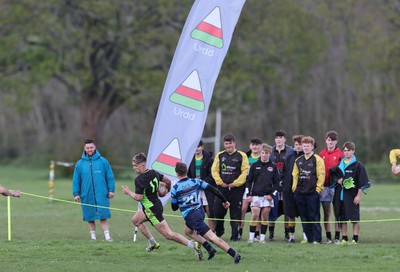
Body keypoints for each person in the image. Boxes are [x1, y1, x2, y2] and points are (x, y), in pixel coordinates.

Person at [122, 153, 203, 259]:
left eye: (135, 166)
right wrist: (166, 189)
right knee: (135, 220)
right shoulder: (153, 172)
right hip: (154, 205)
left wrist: (128, 192)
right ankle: (153, 243)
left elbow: (138, 198)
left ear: (142, 166)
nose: (134, 168)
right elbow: (167, 181)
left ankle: (193, 245)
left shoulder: (139, 180)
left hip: (152, 210)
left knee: (168, 235)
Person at [171, 162, 241, 264]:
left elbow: (173, 207)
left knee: (212, 237)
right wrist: (225, 201)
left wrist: (178, 199)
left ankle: (234, 254)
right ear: (186, 171)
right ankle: (210, 249)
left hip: (192, 216)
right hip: (200, 211)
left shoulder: (175, 188)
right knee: (187, 231)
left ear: (177, 173)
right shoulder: (196, 181)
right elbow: (214, 190)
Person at [72, 139, 115, 241]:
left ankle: (107, 236)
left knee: (103, 214)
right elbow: (76, 180)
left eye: (91, 147)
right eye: (87, 148)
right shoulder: (79, 164)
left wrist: (111, 190)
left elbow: (110, 177)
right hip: (86, 193)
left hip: (101, 193)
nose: (89, 149)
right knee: (89, 215)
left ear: (95, 147)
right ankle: (93, 237)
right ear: (84, 149)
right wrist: (76, 194)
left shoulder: (103, 161)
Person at [329, 142, 371, 244]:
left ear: (353, 151)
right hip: (340, 196)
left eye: (349, 150)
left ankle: (355, 239)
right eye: (345, 150)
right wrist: (337, 180)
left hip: (352, 196)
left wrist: (358, 196)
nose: (346, 152)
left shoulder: (358, 166)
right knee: (342, 218)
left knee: (354, 218)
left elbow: (362, 182)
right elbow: (331, 174)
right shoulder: (339, 164)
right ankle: (344, 238)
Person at [211, 134, 250, 241]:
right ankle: (219, 230)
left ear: (234, 143)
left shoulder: (242, 155)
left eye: (230, 143)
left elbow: (245, 172)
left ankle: (235, 236)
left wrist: (235, 183)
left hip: (236, 189)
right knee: (217, 211)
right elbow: (214, 170)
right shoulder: (220, 155)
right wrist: (220, 182)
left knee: (235, 213)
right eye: (226, 144)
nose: (228, 146)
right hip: (222, 188)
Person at [292, 136, 325, 244]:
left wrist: (318, 190)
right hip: (299, 193)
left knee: (314, 216)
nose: (306, 148)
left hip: (312, 193)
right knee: (304, 217)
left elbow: (321, 175)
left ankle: (317, 239)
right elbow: (295, 176)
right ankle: (308, 238)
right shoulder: (298, 160)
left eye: (308, 146)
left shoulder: (318, 159)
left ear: (312, 147)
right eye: (304, 146)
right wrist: (294, 189)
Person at [246, 144, 279, 243]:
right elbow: (248, 181)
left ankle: (262, 239)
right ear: (260, 153)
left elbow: (277, 183)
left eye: (266, 153)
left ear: (270, 154)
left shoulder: (273, 167)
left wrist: (272, 195)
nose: (264, 155)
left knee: (265, 216)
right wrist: (249, 194)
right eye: (263, 153)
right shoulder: (254, 166)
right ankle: (251, 238)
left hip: (267, 197)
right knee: (255, 215)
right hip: (255, 196)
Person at [319, 131, 344, 244]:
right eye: (329, 140)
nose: (330, 142)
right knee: (326, 213)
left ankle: (337, 237)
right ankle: (328, 237)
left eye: (333, 140)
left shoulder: (340, 154)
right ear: (326, 141)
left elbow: (343, 170)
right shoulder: (321, 154)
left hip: (337, 188)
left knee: (337, 212)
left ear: (336, 141)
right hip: (324, 187)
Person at [188, 140, 216, 231]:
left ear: (202, 147)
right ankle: (197, 231)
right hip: (194, 189)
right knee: (196, 211)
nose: (197, 149)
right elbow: (188, 175)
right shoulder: (190, 160)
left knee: (210, 211)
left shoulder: (209, 159)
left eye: (198, 146)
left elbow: (211, 175)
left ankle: (212, 232)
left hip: (206, 188)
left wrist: (202, 183)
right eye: (195, 147)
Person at [269, 130, 292, 241]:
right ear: (275, 139)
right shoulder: (270, 152)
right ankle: (271, 234)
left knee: (287, 211)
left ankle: (287, 234)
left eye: (281, 137)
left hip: (286, 185)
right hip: (273, 186)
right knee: (271, 210)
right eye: (277, 137)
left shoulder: (290, 151)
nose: (279, 139)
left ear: (284, 139)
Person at [281, 135, 304, 243]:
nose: (298, 146)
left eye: (300, 144)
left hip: (303, 190)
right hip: (289, 190)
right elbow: (284, 172)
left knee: (304, 214)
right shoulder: (289, 156)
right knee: (290, 214)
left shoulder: (307, 156)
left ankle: (306, 236)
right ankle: (291, 235)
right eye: (296, 144)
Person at [239, 137, 262, 240]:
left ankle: (256, 233)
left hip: (258, 188)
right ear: (250, 146)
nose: (255, 146)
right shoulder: (245, 156)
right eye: (253, 144)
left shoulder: (263, 157)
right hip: (246, 186)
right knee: (243, 210)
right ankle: (239, 232)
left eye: (257, 144)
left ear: (260, 146)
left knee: (256, 212)